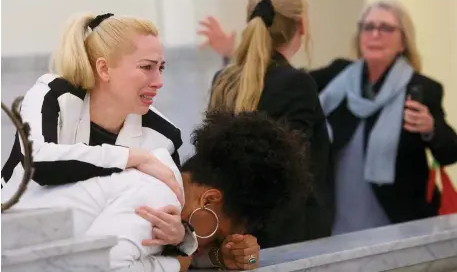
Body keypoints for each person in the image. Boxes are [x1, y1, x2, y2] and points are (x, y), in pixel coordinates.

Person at [14, 110, 311, 272]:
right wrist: (175, 263)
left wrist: (230, 259)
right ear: (209, 199)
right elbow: (98, 268)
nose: (213, 244)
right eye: (219, 235)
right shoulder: (157, 196)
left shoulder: (168, 188)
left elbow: (173, 246)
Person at [1, 12, 185, 203]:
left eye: (161, 68)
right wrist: (134, 158)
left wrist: (177, 230)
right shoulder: (53, 94)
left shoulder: (165, 136)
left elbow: (175, 206)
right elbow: (37, 161)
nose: (159, 82)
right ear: (104, 69)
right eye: (147, 67)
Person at [199, 0, 334, 247]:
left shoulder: (224, 80)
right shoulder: (296, 84)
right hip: (290, 242)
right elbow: (293, 172)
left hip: (233, 236)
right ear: (302, 25)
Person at [311, 0, 457, 234]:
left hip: (398, 224)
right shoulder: (336, 79)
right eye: (368, 27)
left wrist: (431, 129)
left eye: (386, 28)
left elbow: (450, 152)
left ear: (403, 41)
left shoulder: (422, 88)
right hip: (337, 223)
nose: (375, 34)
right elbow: (293, 87)